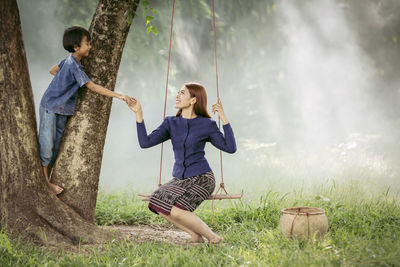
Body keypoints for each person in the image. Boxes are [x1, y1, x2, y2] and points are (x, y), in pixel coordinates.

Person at [126, 82, 236, 244]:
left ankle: (213, 236)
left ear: (193, 100)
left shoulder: (207, 124)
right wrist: (139, 114)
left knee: (177, 212)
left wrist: (223, 118)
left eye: (182, 93)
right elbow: (145, 142)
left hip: (202, 177)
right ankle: (195, 235)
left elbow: (230, 148)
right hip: (180, 179)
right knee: (156, 202)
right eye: (178, 92)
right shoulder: (171, 123)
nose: (177, 95)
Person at [38, 26, 127, 195]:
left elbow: (53, 70)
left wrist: (62, 84)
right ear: (76, 47)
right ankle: (45, 183)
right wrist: (118, 95)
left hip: (62, 110)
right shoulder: (74, 66)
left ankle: (47, 179)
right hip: (50, 107)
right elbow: (91, 86)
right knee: (47, 145)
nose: (90, 47)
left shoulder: (70, 61)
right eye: (87, 43)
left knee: (56, 147)